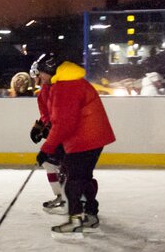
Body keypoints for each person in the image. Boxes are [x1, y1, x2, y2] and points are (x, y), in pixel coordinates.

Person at [36, 53, 116, 233]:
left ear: (49, 70)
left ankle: (76, 220)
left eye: (41, 73)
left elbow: (64, 123)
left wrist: (46, 148)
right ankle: (90, 214)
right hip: (91, 138)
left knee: (73, 180)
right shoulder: (68, 82)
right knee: (82, 177)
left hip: (84, 139)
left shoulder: (65, 87)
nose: (40, 77)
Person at [28, 54, 65, 213]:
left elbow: (60, 116)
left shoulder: (57, 89)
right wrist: (41, 126)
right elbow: (47, 115)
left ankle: (66, 198)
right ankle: (63, 196)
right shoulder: (43, 92)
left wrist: (50, 128)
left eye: (38, 75)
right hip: (58, 134)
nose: (37, 78)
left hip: (64, 135)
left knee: (61, 166)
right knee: (51, 164)